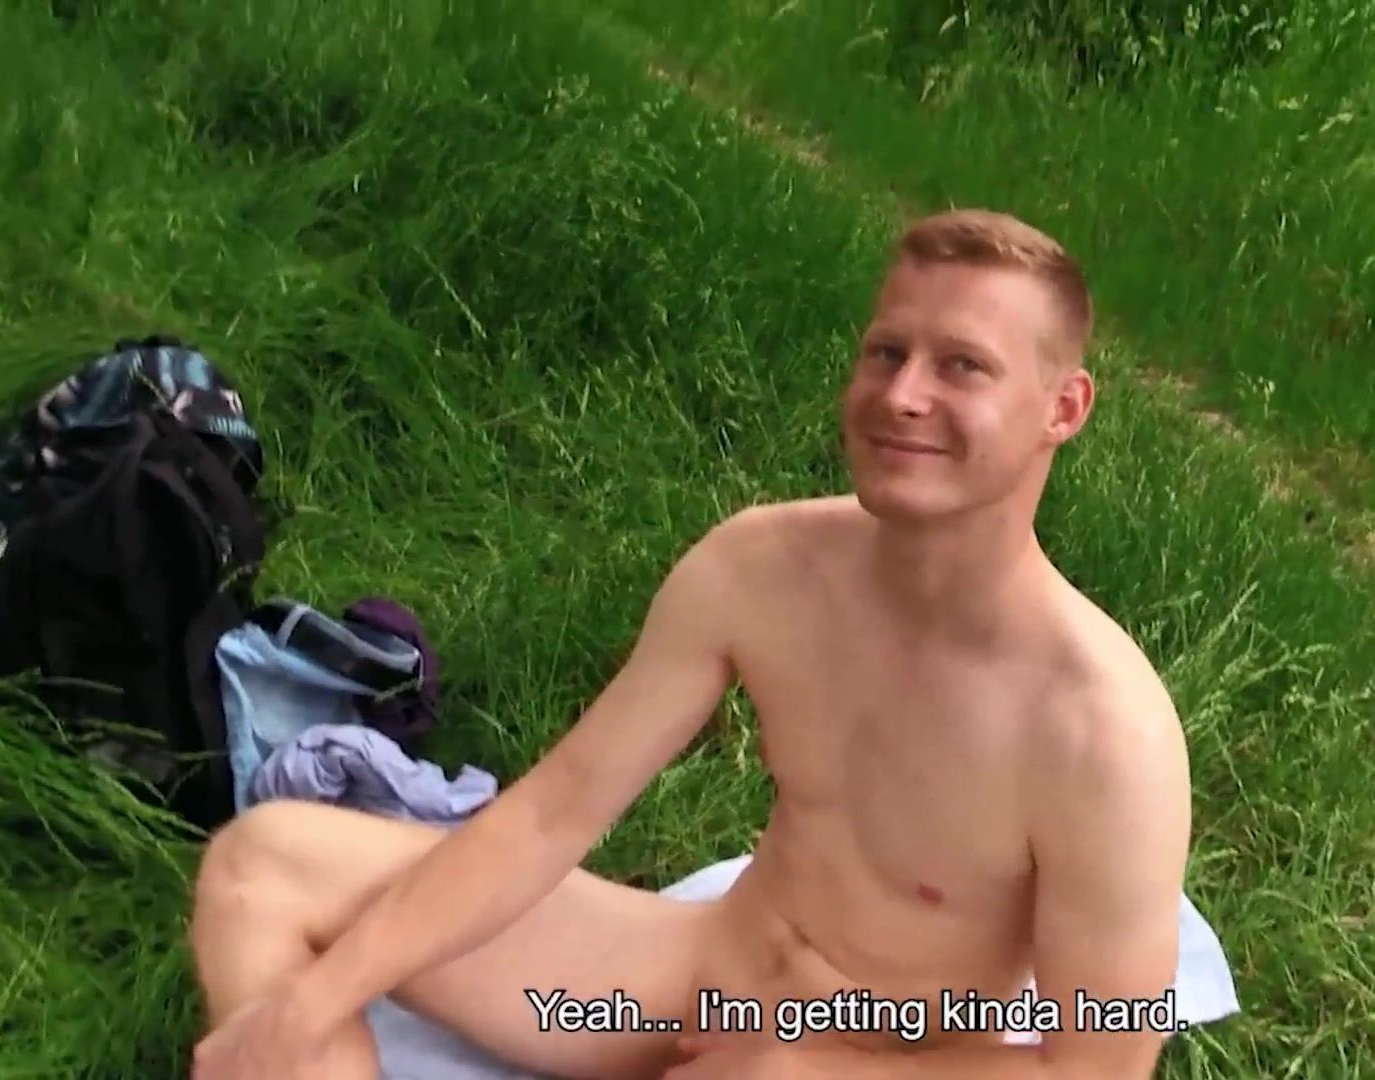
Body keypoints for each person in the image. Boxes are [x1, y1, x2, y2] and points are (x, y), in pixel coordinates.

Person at [187, 207, 1192, 1079]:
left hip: (888, 1059)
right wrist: (314, 1003)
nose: (903, 395)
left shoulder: (1100, 730)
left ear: (1063, 408)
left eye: (963, 366)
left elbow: (1099, 1061)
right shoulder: (764, 567)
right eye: (888, 353)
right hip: (700, 978)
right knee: (265, 866)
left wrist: (806, 1068)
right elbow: (551, 818)